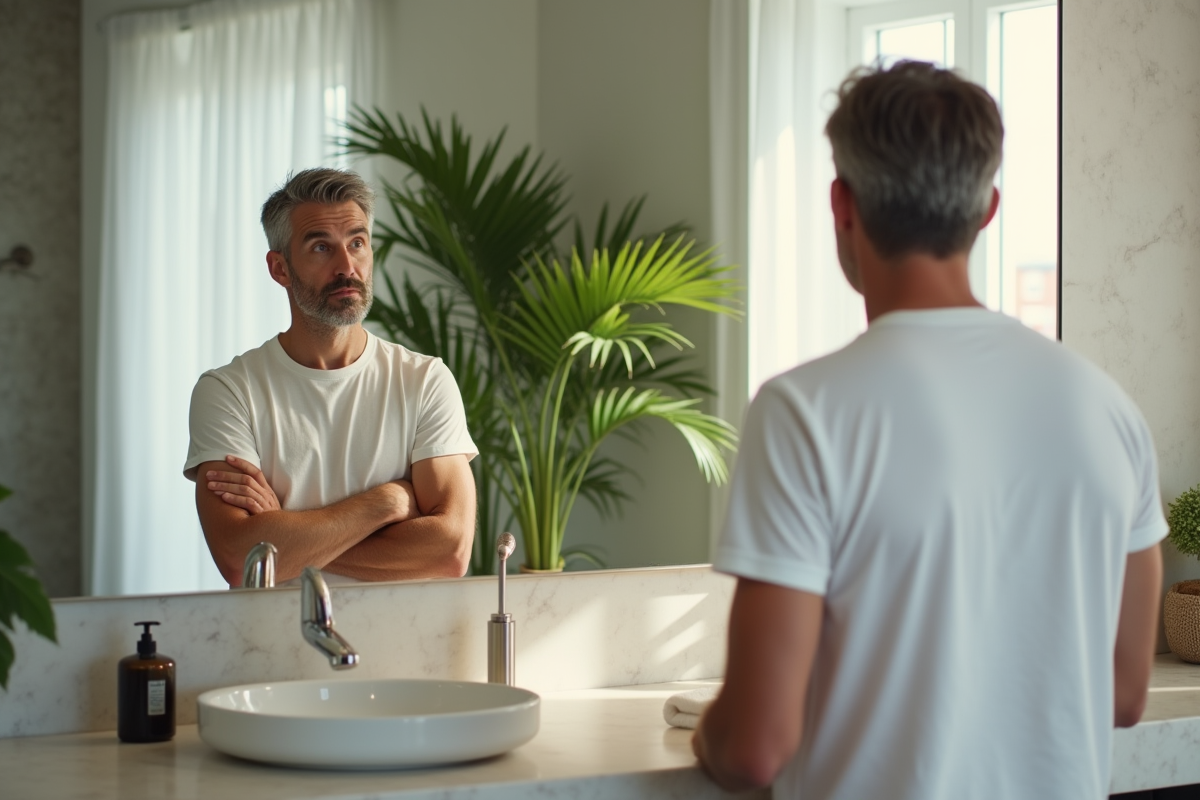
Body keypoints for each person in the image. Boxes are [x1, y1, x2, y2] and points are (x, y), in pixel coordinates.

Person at [693, 62, 1165, 799]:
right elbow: (1124, 692)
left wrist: (708, 732)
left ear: (842, 205)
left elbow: (755, 748)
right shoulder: (1109, 411)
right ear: (987, 210)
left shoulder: (805, 411)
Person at [183, 168, 477, 587]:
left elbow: (449, 551)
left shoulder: (425, 380)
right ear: (280, 268)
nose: (347, 266)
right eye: (321, 247)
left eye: (357, 243)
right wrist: (388, 501)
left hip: (408, 646)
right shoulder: (229, 391)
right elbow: (238, 559)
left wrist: (284, 533)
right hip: (272, 647)